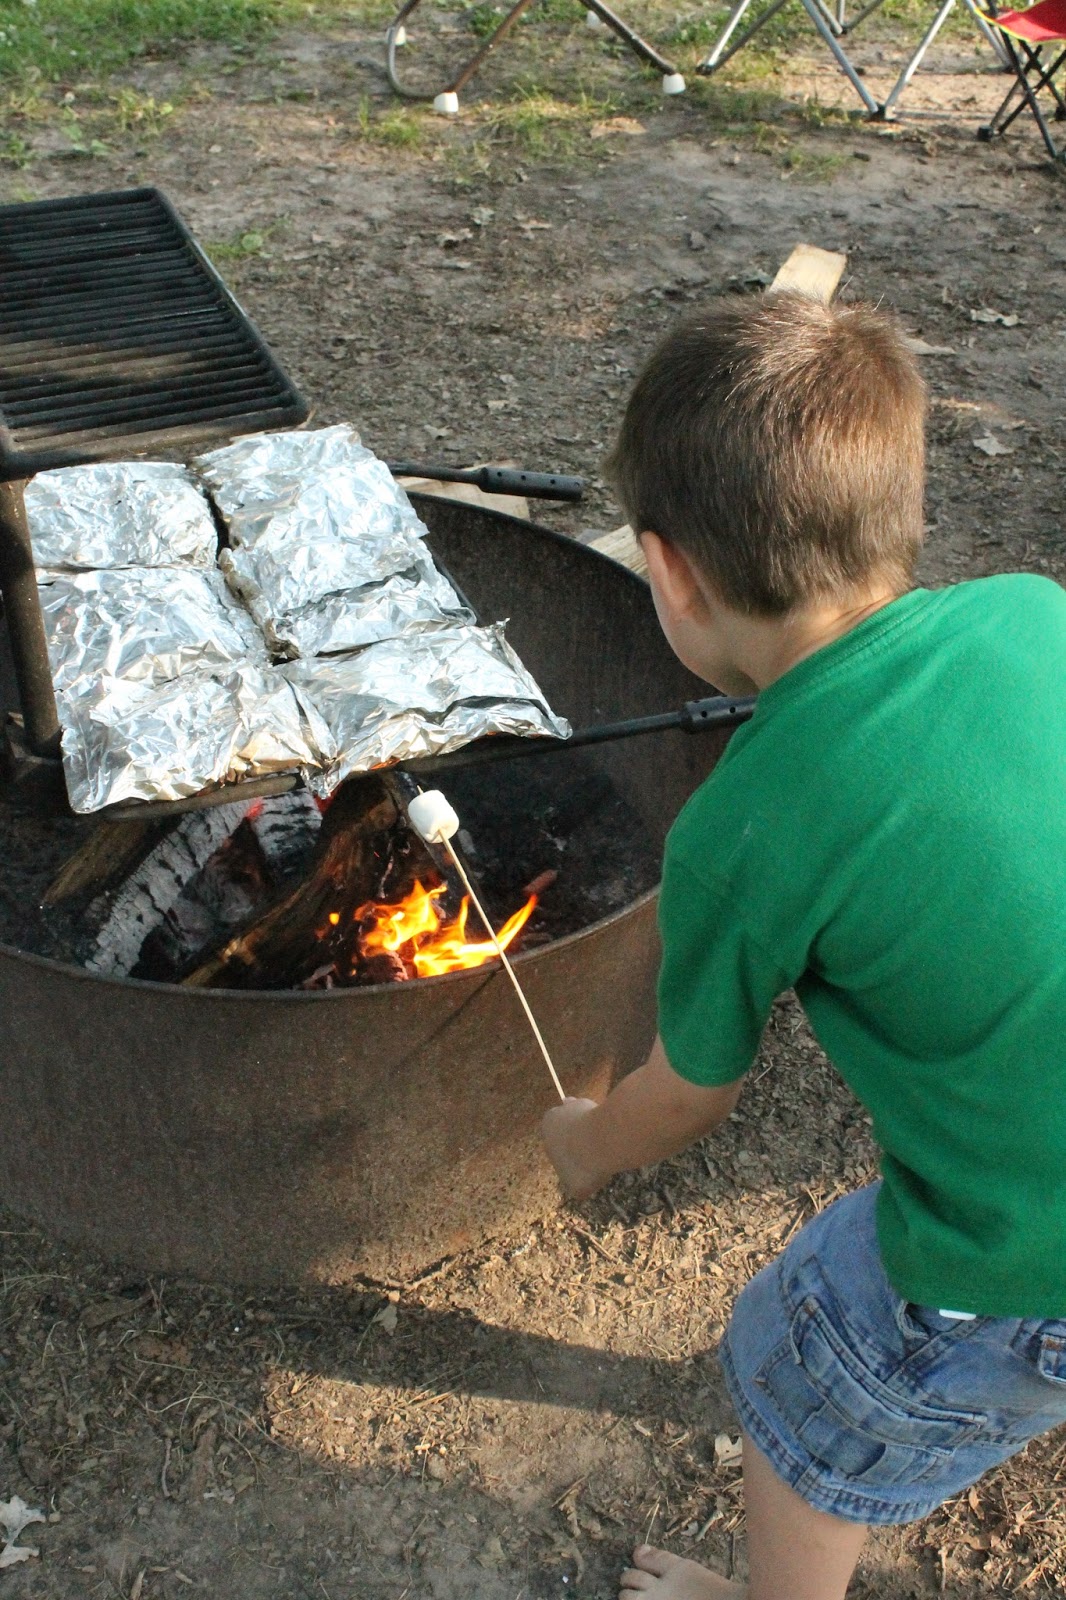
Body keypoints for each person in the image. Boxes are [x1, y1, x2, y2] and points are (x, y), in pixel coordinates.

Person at [541, 291, 1066, 1600]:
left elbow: (690, 1095)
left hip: (1022, 1258)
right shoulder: (1028, 611)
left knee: (798, 1374)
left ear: (667, 570)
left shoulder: (747, 823)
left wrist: (584, 1144)